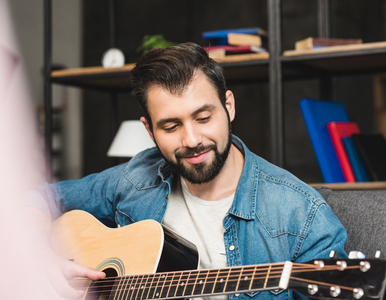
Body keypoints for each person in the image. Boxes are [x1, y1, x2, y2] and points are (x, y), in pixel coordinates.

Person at [29, 42, 347, 300]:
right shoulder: (135, 178)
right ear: (150, 131)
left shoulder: (301, 215)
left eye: (203, 117)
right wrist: (41, 259)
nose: (192, 140)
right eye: (171, 126)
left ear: (229, 106)